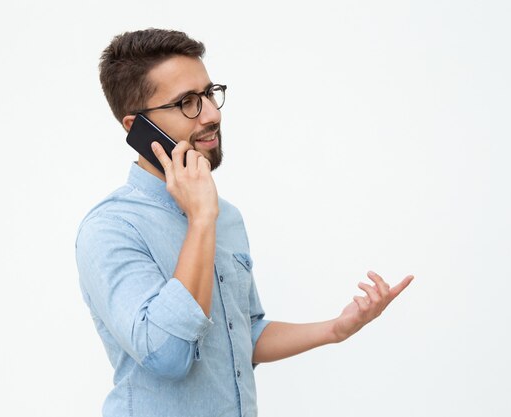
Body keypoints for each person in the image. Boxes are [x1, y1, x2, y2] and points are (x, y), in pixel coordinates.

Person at [75, 28, 414, 417]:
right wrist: (201, 220)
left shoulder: (226, 215)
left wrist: (335, 329)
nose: (212, 114)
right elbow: (167, 354)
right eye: (187, 102)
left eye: (208, 94)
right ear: (135, 127)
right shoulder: (111, 228)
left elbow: (241, 334)